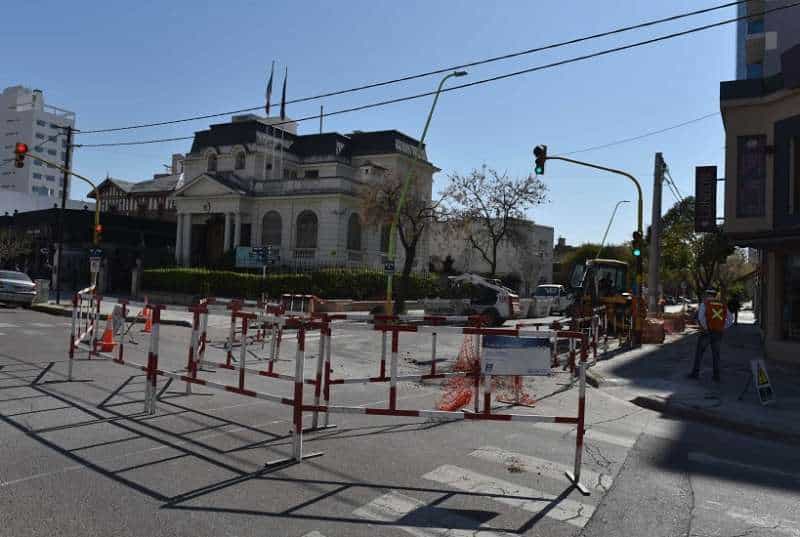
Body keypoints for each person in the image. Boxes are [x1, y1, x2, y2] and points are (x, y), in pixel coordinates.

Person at [688, 289, 734, 382]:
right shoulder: (722, 304)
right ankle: (716, 376)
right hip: (718, 332)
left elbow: (701, 318)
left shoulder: (705, 303)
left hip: (707, 332)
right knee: (716, 354)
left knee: (699, 353)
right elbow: (730, 319)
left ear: (707, 294)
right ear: (715, 295)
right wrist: (722, 327)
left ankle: (695, 373)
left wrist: (706, 328)